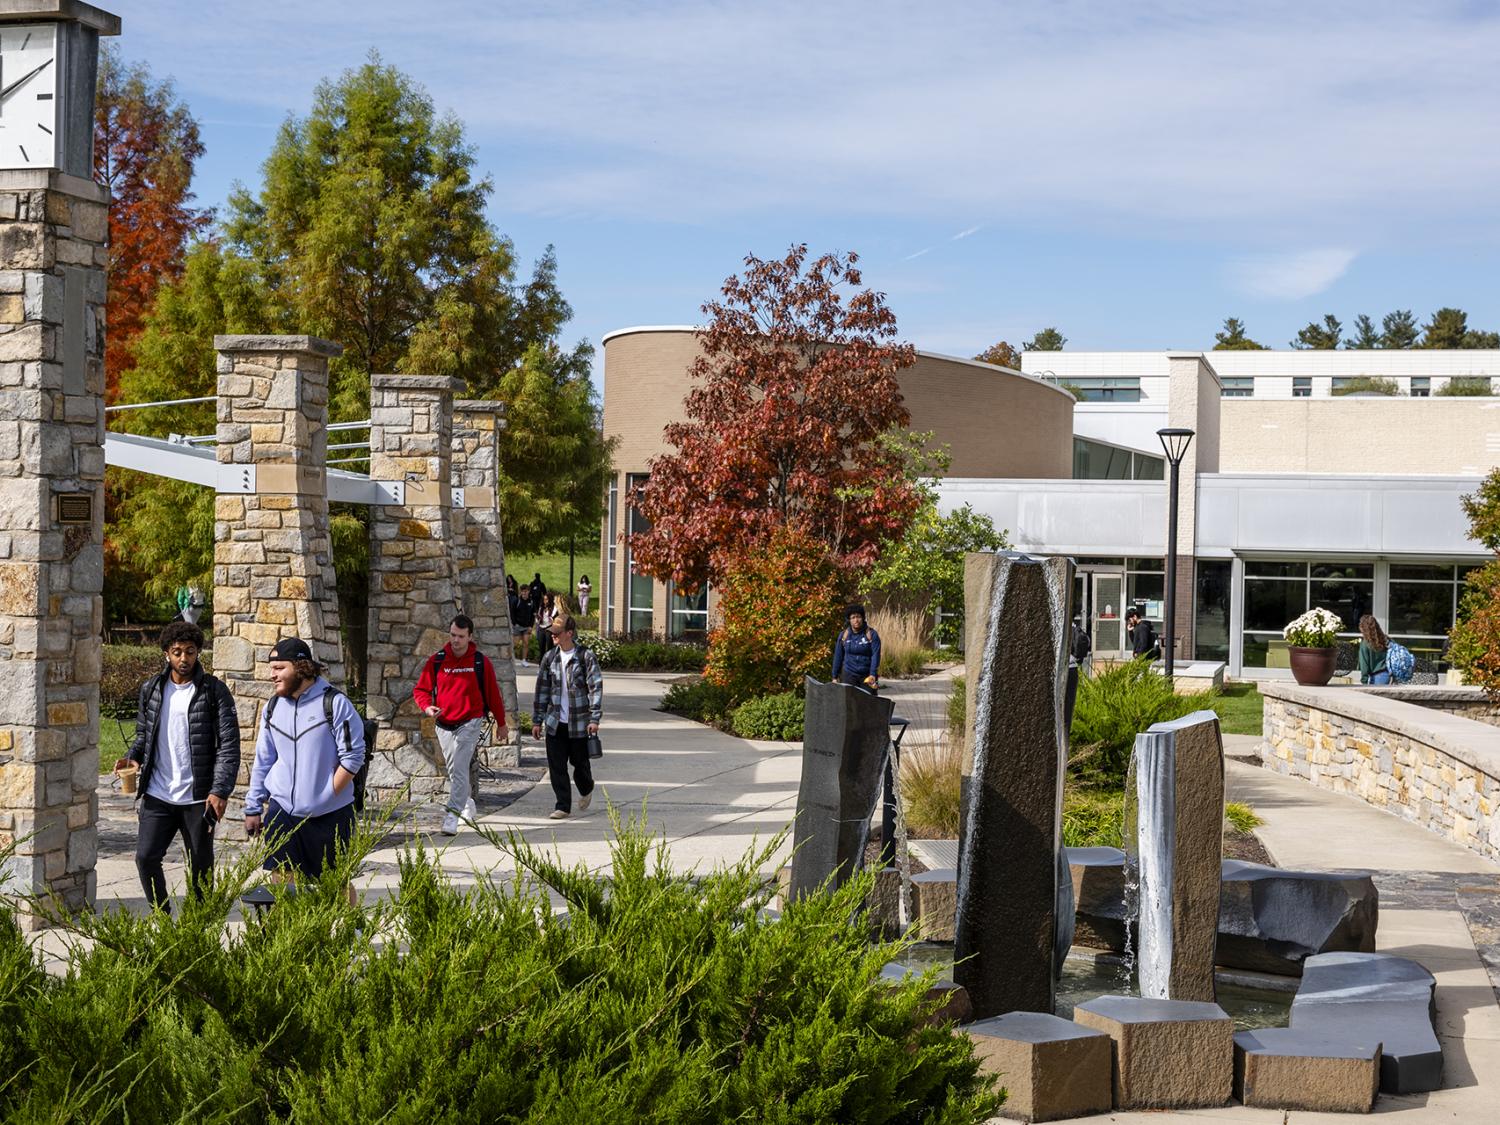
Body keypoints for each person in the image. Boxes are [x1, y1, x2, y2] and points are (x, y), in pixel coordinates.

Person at [125, 620, 239, 911]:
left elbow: (229, 745)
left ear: (198, 652)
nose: (184, 658)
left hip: (199, 798)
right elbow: (143, 735)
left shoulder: (214, 691)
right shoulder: (151, 689)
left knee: (201, 869)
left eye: (190, 651)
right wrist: (133, 757)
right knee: (146, 858)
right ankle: (163, 918)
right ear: (166, 654)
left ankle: (198, 928)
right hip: (158, 794)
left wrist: (220, 791)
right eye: (177, 652)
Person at [243, 637, 366, 881]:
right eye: (272, 669)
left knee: (335, 886)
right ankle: (282, 922)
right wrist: (253, 806)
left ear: (301, 667)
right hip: (283, 813)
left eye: (279, 668)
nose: (272, 675)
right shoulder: (272, 707)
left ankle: (350, 922)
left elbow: (353, 757)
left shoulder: (335, 703)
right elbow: (264, 760)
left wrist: (327, 794)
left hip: (331, 814)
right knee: (282, 883)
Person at [413, 615, 508, 835]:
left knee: (461, 763)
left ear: (470, 637)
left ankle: (452, 816)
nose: (455, 640)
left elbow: (494, 695)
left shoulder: (480, 662)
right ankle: (467, 804)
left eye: (461, 636)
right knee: (455, 768)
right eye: (453, 635)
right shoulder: (437, 661)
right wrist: (427, 707)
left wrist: (502, 724)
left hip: (471, 721)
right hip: (444, 723)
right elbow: (421, 691)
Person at [532, 614, 603, 820]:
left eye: (557, 633)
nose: (553, 636)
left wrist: (594, 718)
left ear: (569, 633)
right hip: (555, 722)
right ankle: (562, 805)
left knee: (580, 765)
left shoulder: (585, 656)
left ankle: (586, 786)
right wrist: (537, 720)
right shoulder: (550, 658)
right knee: (557, 766)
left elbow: (595, 688)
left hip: (579, 722)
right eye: (552, 633)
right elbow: (542, 690)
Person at [831, 603, 882, 689]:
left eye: (858, 617)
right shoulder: (844, 635)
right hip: (848, 675)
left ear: (863, 618)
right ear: (849, 620)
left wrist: (873, 674)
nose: (856, 620)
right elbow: (838, 656)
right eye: (853, 618)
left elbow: (875, 656)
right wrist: (834, 676)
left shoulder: (872, 635)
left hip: (867, 675)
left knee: (867, 701)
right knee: (849, 702)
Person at [1358, 614, 1391, 685]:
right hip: (1389, 675)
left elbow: (1364, 666)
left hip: (1377, 677)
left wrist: (1364, 681)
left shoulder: (1365, 644)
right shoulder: (1386, 639)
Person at [511, 584, 536, 665]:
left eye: (525, 591)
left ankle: (524, 660)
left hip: (527, 627)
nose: (524, 593)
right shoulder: (517, 601)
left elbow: (533, 615)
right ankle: (510, 658)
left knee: (526, 643)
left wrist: (531, 626)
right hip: (517, 626)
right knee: (515, 643)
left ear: (528, 591)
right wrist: (514, 624)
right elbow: (512, 613)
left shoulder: (531, 602)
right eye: (522, 591)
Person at [535, 591, 556, 661]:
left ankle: (549, 665)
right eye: (544, 599)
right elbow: (538, 618)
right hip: (541, 627)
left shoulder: (554, 608)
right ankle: (541, 666)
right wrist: (538, 618)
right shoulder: (541, 608)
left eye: (546, 599)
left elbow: (553, 617)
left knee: (549, 648)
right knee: (541, 649)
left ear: (550, 599)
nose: (545, 601)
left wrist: (551, 619)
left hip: (549, 628)